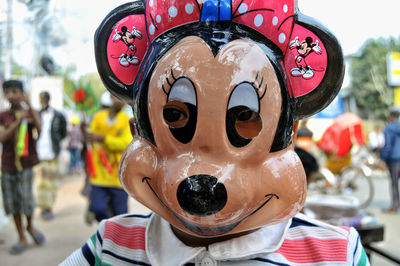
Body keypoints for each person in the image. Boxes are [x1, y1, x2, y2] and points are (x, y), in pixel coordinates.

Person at [62, 1, 369, 265]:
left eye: (245, 117)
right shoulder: (111, 246)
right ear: (138, 132)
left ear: (288, 133)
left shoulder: (337, 254)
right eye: (174, 115)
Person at [0, 80, 45, 254]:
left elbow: (40, 131)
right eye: (7, 92)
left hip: (26, 165)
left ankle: (30, 227)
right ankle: (21, 235)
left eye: (14, 91)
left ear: (22, 93)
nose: (11, 95)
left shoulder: (30, 113)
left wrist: (30, 107)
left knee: (27, 200)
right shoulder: (4, 115)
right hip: (8, 165)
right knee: (13, 203)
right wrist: (18, 123)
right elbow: (2, 137)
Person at [85, 94, 132, 222]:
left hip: (118, 176)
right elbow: (89, 137)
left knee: (121, 215)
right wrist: (83, 130)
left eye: (122, 98)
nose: (120, 101)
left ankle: (117, 236)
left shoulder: (127, 120)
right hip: (99, 174)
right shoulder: (98, 117)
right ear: (111, 97)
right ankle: (107, 230)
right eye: (117, 97)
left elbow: (126, 143)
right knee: (98, 208)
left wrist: (103, 139)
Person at [35, 91, 67, 220]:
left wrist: (57, 142)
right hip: (39, 153)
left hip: (53, 153)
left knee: (51, 182)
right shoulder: (37, 114)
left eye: (43, 98)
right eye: (40, 99)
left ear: (48, 99)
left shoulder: (58, 115)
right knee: (40, 183)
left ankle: (49, 207)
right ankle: (43, 207)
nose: (42, 101)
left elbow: (63, 132)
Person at [380, 110, 400, 213]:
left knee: (394, 183)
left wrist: (383, 159)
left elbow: (387, 145)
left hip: (394, 159)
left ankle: (395, 206)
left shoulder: (388, 128)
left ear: (391, 117)